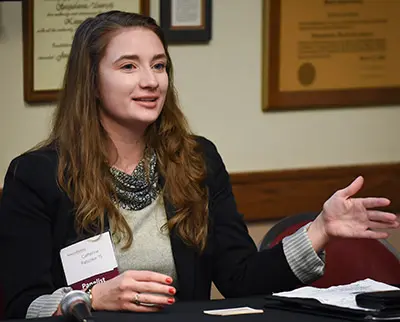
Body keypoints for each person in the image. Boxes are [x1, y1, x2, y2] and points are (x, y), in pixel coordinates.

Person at [0, 10, 398, 320]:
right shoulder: (37, 176)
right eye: (128, 66)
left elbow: (241, 279)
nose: (151, 81)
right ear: (91, 80)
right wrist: (91, 298)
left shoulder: (196, 160)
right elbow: (22, 304)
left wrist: (320, 230)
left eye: (159, 65)